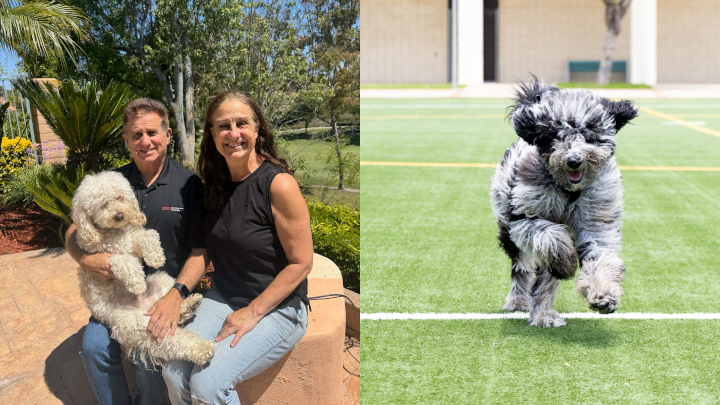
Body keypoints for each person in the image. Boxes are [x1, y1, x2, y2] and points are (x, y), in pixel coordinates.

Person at [162, 91, 313, 405]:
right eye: (223, 126)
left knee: (207, 385)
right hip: (224, 297)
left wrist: (252, 312)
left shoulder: (277, 184)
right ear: (213, 136)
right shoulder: (214, 187)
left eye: (241, 123)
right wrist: (175, 293)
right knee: (174, 372)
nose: (234, 133)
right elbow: (202, 251)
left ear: (257, 129)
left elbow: (301, 262)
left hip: (280, 308)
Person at [65, 98, 209, 405]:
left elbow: (201, 250)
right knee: (93, 349)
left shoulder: (189, 185)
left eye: (153, 133)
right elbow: (73, 231)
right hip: (114, 292)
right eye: (136, 135)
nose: (146, 141)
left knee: (145, 359)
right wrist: (85, 258)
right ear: (126, 140)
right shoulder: (113, 182)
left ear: (168, 135)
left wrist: (177, 293)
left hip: (163, 291)